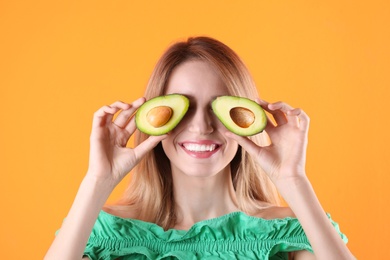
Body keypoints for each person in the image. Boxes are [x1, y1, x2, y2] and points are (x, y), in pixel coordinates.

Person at [45, 36, 354, 259]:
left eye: (219, 108)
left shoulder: (287, 233)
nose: (202, 126)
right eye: (184, 107)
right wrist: (98, 182)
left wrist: (293, 180)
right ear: (156, 118)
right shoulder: (106, 235)